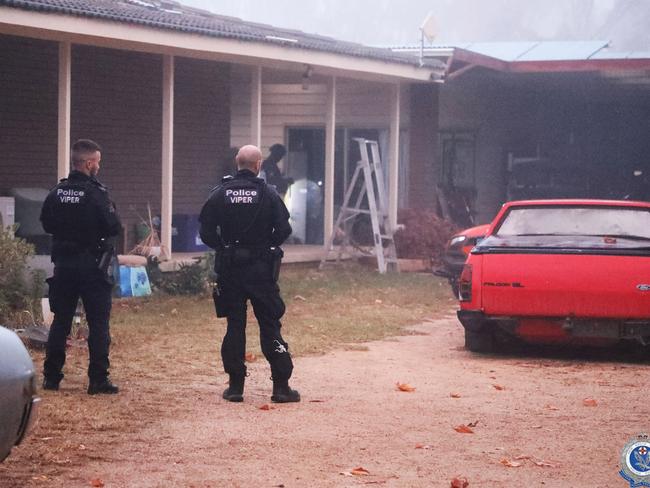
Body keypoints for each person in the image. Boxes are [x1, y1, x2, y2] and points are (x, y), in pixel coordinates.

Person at [199, 144, 300, 403]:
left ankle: (235, 387)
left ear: (237, 163)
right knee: (269, 324)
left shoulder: (220, 193)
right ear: (258, 165)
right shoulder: (268, 194)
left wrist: (223, 247)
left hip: (231, 269)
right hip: (261, 270)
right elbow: (284, 230)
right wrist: (266, 245)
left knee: (235, 324)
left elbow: (206, 232)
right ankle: (280, 387)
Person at [40, 139, 122, 395]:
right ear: (88, 163)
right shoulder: (96, 193)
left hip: (64, 264)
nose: (98, 165)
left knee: (60, 321)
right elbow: (114, 227)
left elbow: (46, 223)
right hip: (92, 266)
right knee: (98, 323)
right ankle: (98, 379)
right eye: (97, 161)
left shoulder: (56, 192)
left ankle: (51, 378)